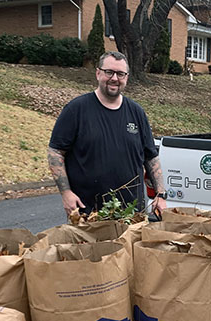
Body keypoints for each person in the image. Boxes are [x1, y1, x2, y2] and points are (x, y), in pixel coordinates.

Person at [48, 51, 167, 218]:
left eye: (120, 74)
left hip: (132, 213)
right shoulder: (76, 110)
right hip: (88, 212)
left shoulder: (136, 112)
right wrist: (66, 193)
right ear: (98, 73)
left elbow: (151, 157)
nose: (114, 78)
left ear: (127, 77)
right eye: (109, 72)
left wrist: (160, 194)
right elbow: (56, 152)